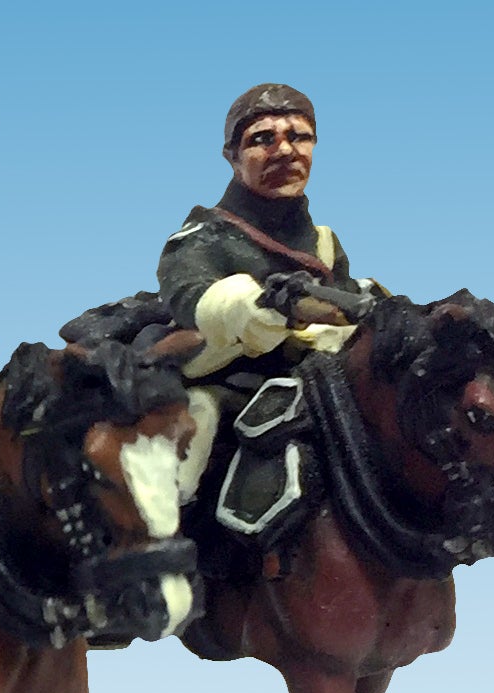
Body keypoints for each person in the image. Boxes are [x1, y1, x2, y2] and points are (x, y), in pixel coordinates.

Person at [155, 83, 382, 543]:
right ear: (232, 156)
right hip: (229, 380)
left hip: (316, 382)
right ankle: (166, 553)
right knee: (194, 435)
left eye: (299, 136)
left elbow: (345, 307)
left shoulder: (323, 243)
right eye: (262, 139)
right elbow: (190, 296)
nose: (284, 150)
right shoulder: (201, 237)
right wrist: (256, 305)